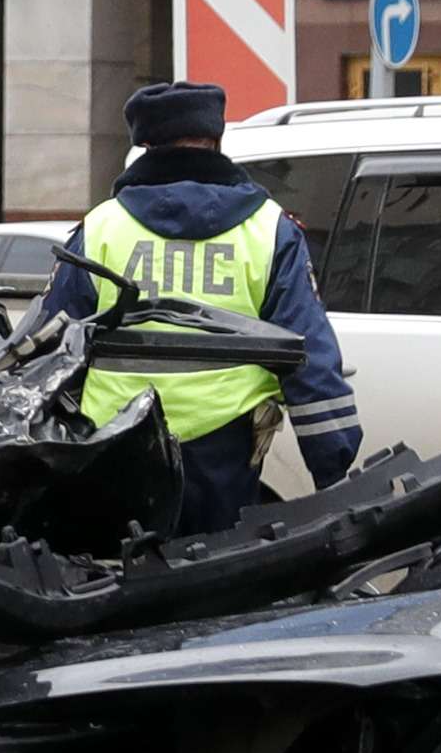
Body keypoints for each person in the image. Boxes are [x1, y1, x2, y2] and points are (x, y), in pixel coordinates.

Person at [35, 80, 363, 534]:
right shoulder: (268, 230)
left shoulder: (102, 228)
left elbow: (50, 345)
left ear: (146, 146)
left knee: (118, 582)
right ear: (215, 140)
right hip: (224, 451)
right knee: (218, 584)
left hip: (114, 446)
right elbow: (307, 351)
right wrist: (333, 460)